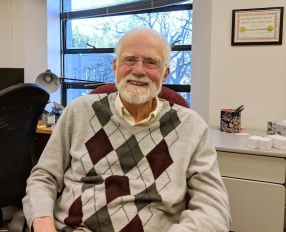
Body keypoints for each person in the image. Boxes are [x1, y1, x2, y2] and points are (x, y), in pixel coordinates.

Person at [23, 27, 231, 232]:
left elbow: (213, 208)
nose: (139, 70)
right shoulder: (79, 111)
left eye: (151, 62)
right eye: (130, 59)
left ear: (165, 73)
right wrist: (42, 223)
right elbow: (44, 177)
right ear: (115, 66)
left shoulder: (191, 127)